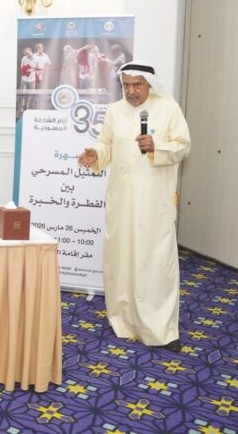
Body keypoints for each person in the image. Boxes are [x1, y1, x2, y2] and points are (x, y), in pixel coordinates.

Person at [77, 61, 191, 352]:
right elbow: (107, 144)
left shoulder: (169, 108)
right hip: (123, 200)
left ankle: (161, 328)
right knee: (122, 258)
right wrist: (96, 154)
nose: (130, 91)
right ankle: (125, 320)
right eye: (126, 85)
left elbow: (183, 146)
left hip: (154, 202)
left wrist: (157, 145)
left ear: (149, 84)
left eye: (136, 85)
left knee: (155, 261)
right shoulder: (115, 111)